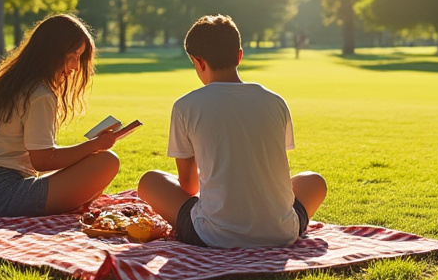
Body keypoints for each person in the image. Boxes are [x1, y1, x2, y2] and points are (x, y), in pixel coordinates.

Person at [138, 15, 327, 247]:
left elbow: (189, 187)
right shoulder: (275, 101)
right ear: (239, 56)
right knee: (314, 181)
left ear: (199, 62)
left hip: (213, 236)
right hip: (282, 232)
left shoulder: (186, 106)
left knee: (151, 181)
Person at [0, 14, 130, 217]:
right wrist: (95, 145)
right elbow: (43, 161)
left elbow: (41, 159)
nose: (76, 66)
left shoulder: (15, 82)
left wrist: (89, 151)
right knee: (106, 162)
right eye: (73, 56)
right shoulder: (40, 94)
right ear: (52, 52)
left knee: (89, 167)